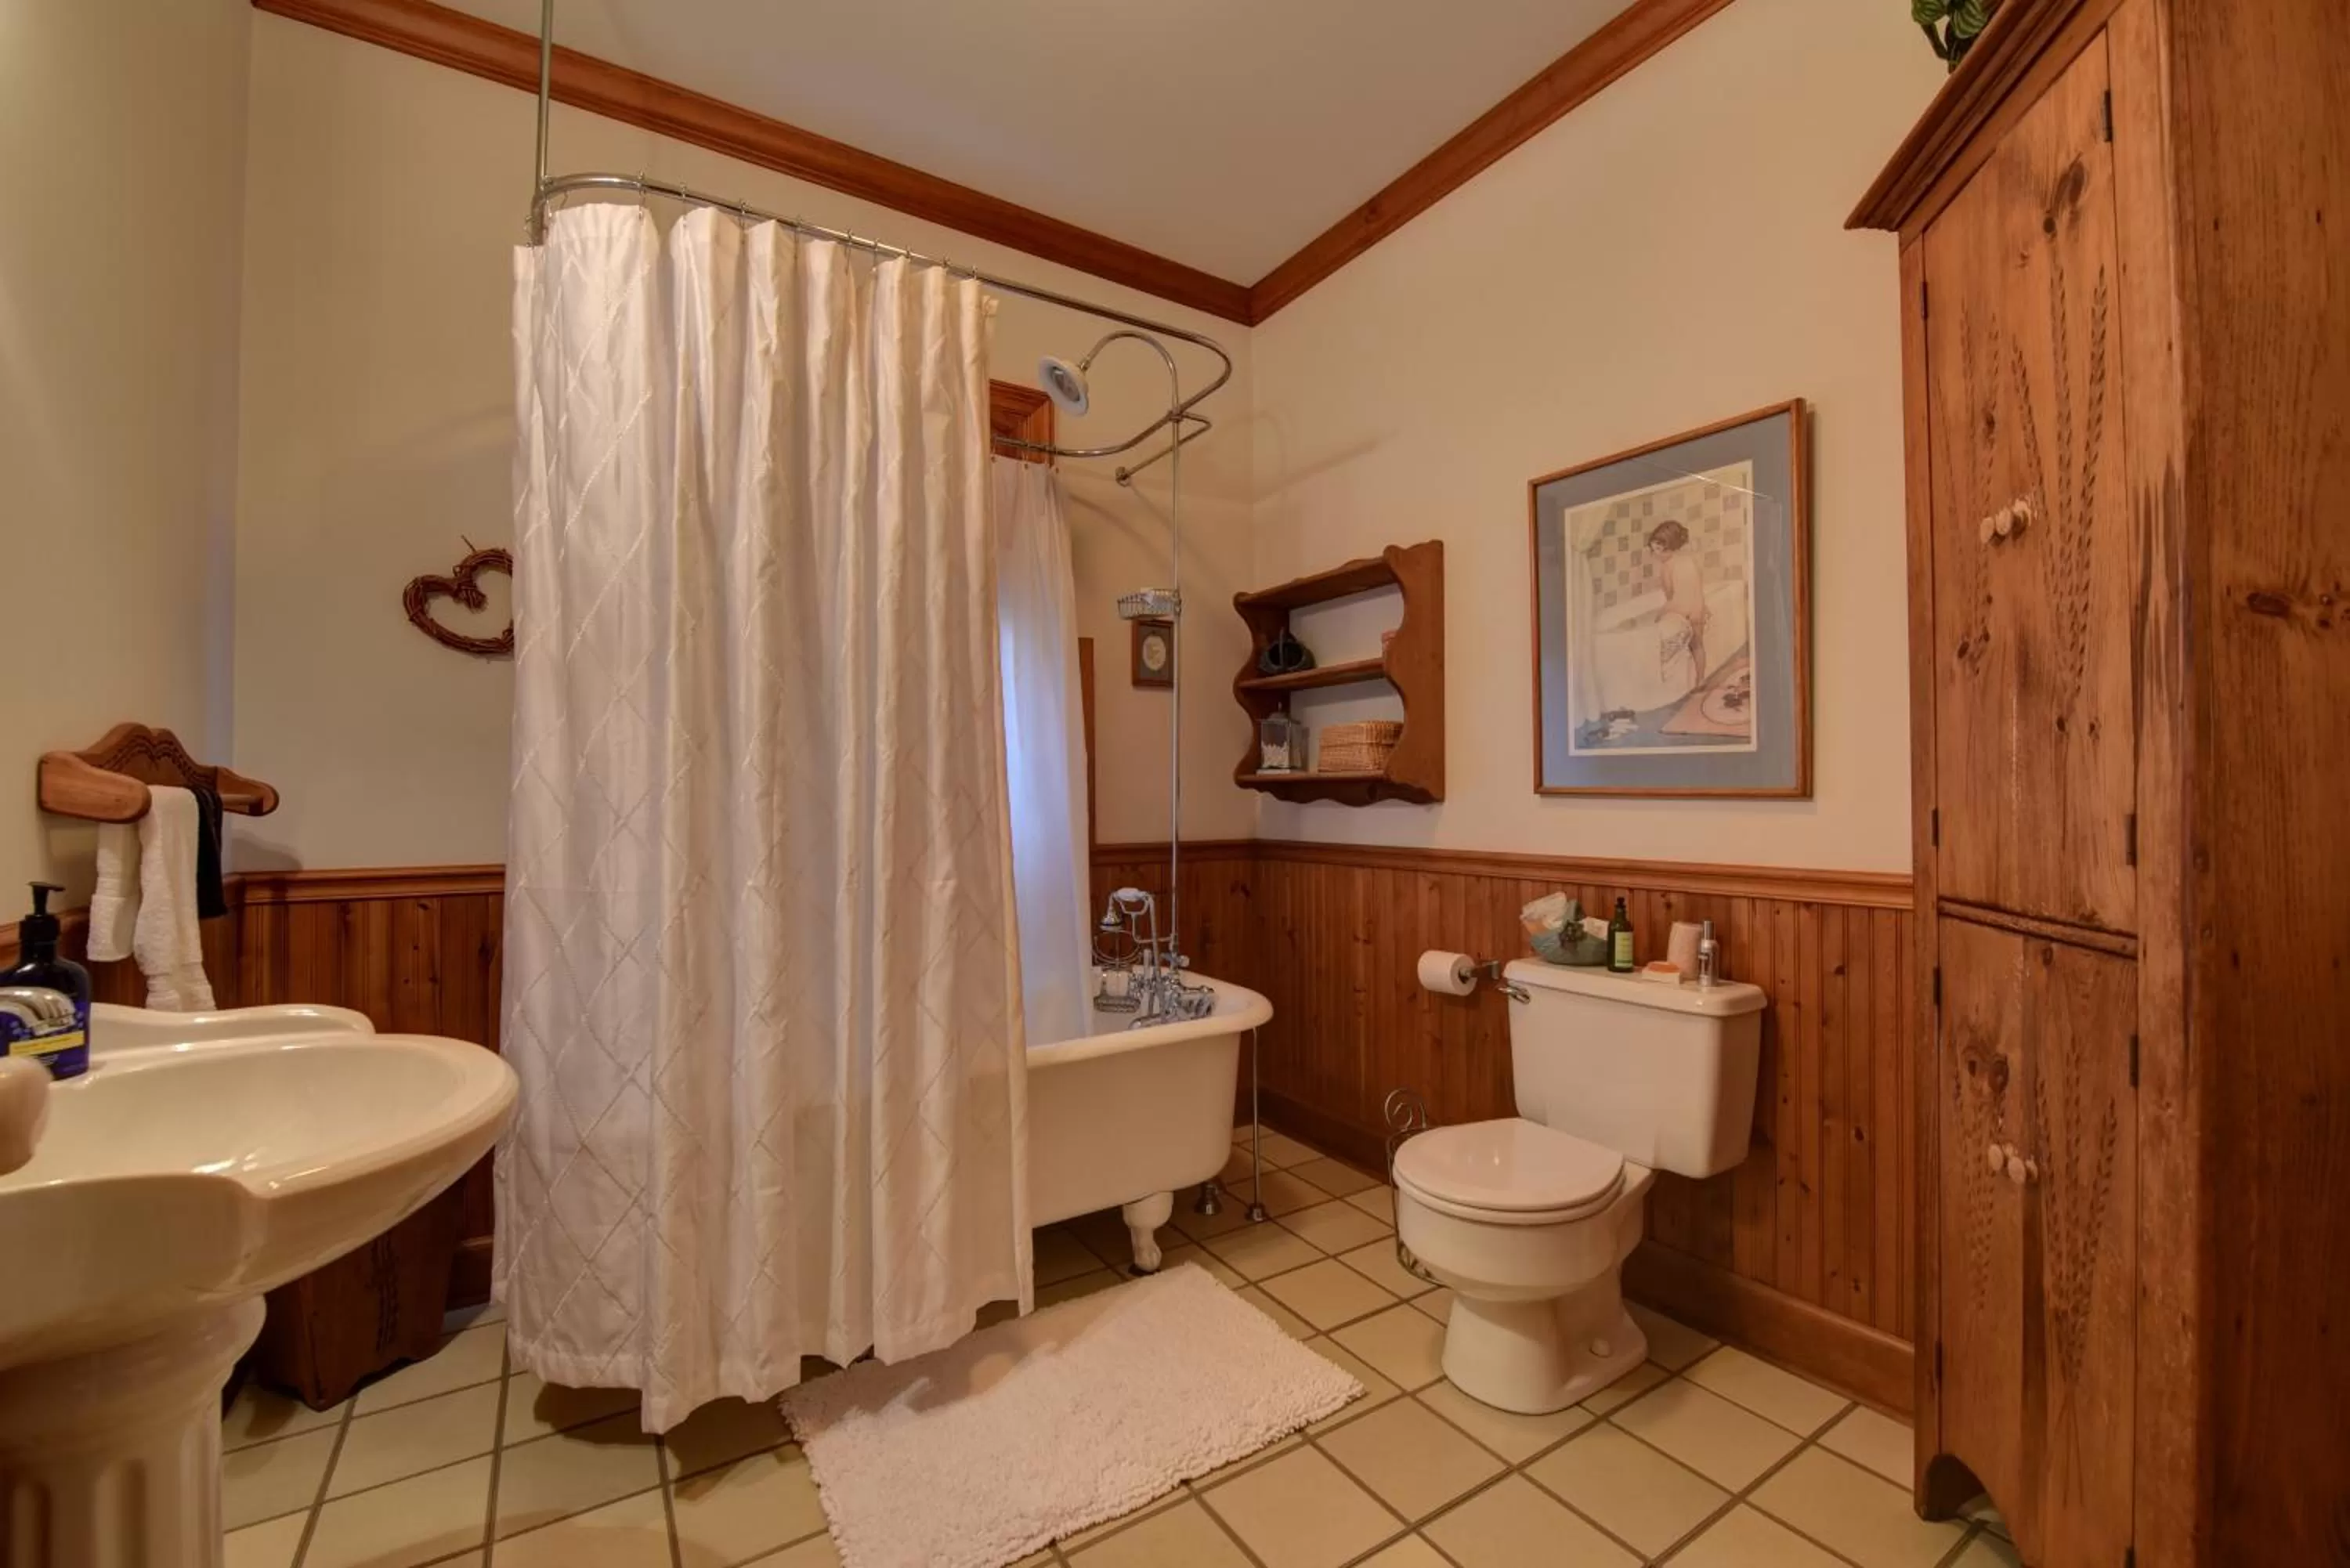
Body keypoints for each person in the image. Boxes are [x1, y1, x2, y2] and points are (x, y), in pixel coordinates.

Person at [1647, 518, 1708, 695]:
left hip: (1683, 610)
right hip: (1696, 608)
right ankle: (1700, 680)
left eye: (1658, 550)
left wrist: (1661, 614)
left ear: (1669, 547)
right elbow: (1696, 588)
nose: (1655, 555)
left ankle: (1683, 683)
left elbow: (1674, 596)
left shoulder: (1668, 567)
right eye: (1653, 550)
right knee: (1698, 645)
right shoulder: (1688, 561)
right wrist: (1702, 607)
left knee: (1688, 645)